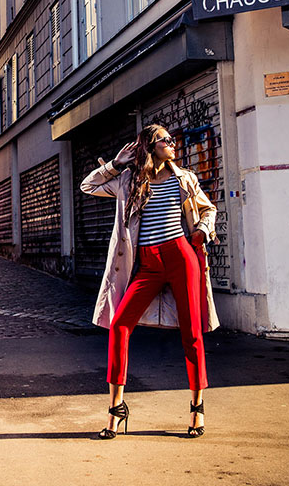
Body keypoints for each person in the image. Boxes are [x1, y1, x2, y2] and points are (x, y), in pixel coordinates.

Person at [80, 123, 220, 439]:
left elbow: (208, 209)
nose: (173, 143)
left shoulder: (185, 178)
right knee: (119, 325)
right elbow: (88, 186)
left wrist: (201, 230)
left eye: (171, 139)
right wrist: (116, 164)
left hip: (181, 256)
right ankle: (116, 409)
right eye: (165, 140)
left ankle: (197, 407)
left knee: (192, 333)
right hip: (146, 264)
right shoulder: (129, 181)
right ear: (151, 146)